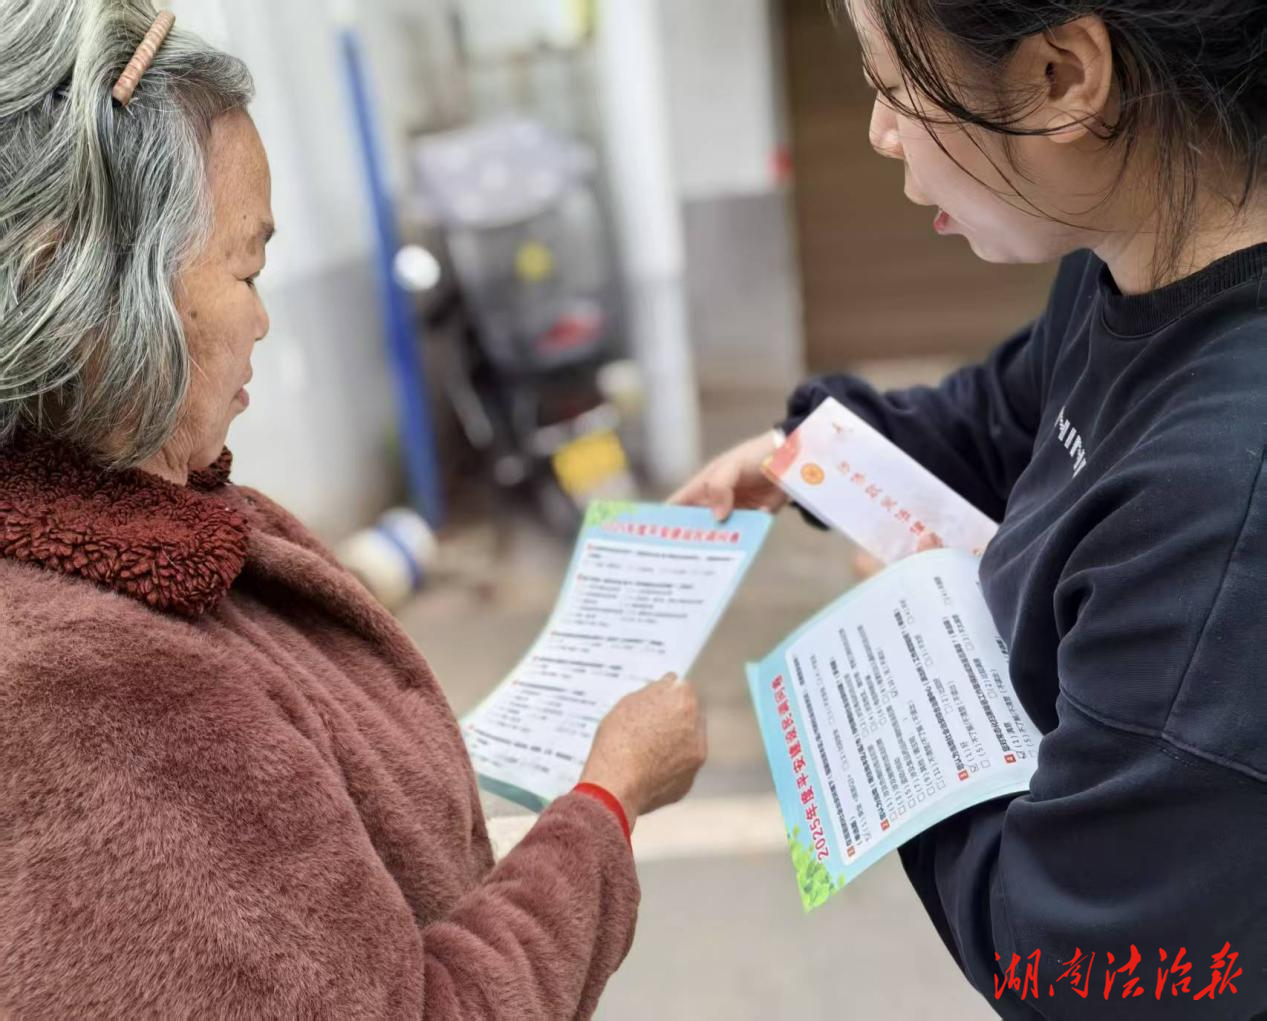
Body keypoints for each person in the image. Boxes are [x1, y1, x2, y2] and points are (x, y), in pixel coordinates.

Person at [0, 3, 707, 1017]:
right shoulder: (90, 686)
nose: (262, 316)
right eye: (244, 268)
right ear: (73, 289)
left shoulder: (166, 522)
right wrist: (608, 796)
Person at [675, 0, 1267, 1017]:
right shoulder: (1127, 266)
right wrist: (816, 454)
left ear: (1061, 76)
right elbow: (1006, 420)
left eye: (895, 84)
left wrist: (916, 643)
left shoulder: (1220, 504)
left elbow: (1073, 968)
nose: (878, 130)